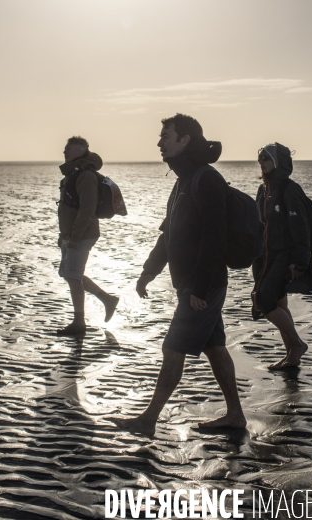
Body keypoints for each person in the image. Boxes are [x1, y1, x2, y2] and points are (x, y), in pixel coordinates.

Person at [117, 114, 246, 437]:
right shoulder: (184, 180)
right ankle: (235, 415)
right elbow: (169, 234)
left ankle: (148, 419)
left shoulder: (207, 179)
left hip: (203, 285)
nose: (159, 142)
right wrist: (148, 271)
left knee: (173, 347)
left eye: (166, 136)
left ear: (185, 139)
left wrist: (198, 289)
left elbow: (215, 238)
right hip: (191, 284)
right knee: (215, 347)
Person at [252, 142, 312, 369]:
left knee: (263, 299)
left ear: (279, 162)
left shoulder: (290, 190)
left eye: (267, 158)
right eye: (260, 158)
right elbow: (259, 225)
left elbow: (301, 228)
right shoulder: (264, 189)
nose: (261, 162)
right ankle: (292, 355)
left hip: (285, 257)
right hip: (265, 257)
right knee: (279, 302)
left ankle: (297, 345)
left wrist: (300, 261)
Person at [57, 136, 119, 336]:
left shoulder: (85, 175)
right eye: (65, 148)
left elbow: (87, 209)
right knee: (69, 273)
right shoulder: (73, 173)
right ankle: (107, 299)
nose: (65, 151)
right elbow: (68, 209)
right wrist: (64, 234)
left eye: (70, 148)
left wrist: (74, 237)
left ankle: (79, 323)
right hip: (73, 233)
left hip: (83, 233)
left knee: (73, 276)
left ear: (80, 152)